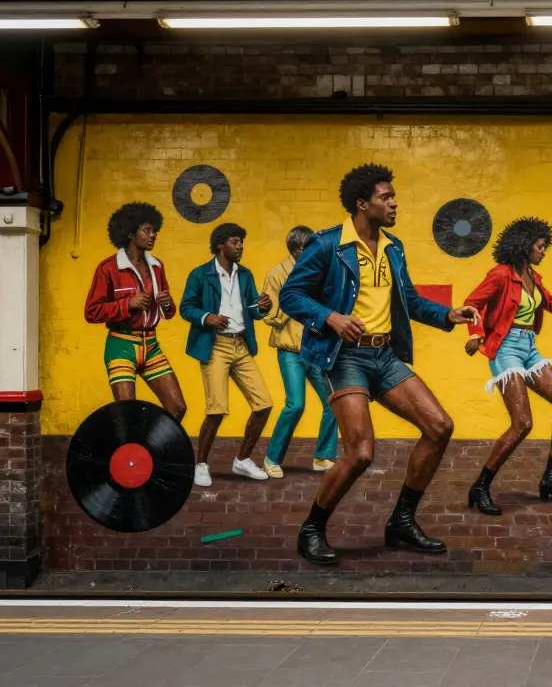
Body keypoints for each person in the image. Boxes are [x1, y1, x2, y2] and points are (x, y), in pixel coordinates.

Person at [278, 163, 479, 567]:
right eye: (386, 197)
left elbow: (408, 300)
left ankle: (402, 522)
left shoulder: (393, 247)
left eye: (392, 196)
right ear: (362, 203)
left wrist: (448, 315)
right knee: (361, 453)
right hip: (344, 356)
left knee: (439, 427)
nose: (394, 203)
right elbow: (291, 296)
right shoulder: (327, 245)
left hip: (384, 355)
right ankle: (312, 528)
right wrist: (330, 317)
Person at [462, 217, 552, 515]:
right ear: (525, 245)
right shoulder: (501, 274)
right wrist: (476, 334)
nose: (543, 251)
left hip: (529, 347)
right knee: (523, 423)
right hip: (506, 349)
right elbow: (472, 303)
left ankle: (550, 479)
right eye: (540, 246)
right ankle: (481, 485)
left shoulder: (534, 275)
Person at [179, 223, 275, 487]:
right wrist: (206, 317)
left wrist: (262, 307)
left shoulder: (245, 275)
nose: (240, 246)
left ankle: (242, 460)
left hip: (241, 345)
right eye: (235, 241)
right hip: (215, 345)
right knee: (216, 410)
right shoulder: (201, 274)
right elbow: (185, 307)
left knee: (264, 405)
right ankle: (201, 464)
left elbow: (253, 310)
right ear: (220, 245)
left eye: (241, 242)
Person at [84, 202, 187, 421]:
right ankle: (132, 453)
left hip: (151, 346)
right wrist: (127, 304)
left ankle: (152, 448)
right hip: (121, 345)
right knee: (127, 414)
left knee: (177, 408)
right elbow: (92, 312)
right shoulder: (108, 268)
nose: (153, 236)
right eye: (147, 230)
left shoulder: (157, 266)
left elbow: (169, 313)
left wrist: (167, 303)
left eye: (154, 231)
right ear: (131, 233)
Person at [261, 226, 339, 478]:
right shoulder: (276, 274)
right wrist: (295, 299)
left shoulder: (318, 272)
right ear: (298, 250)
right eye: (311, 248)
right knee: (295, 405)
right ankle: (272, 458)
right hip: (290, 351)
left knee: (334, 402)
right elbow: (270, 316)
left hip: (315, 348)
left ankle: (323, 456)